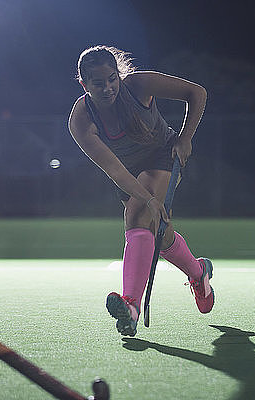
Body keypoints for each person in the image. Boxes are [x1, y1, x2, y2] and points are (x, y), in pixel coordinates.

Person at [68, 45, 213, 337]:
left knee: (136, 217)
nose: (108, 88)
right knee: (158, 232)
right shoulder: (81, 119)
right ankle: (199, 274)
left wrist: (185, 138)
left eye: (112, 79)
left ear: (118, 75)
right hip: (128, 173)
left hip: (163, 155)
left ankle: (130, 304)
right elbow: (115, 171)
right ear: (84, 84)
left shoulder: (138, 85)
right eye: (98, 83)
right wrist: (147, 197)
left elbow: (197, 93)